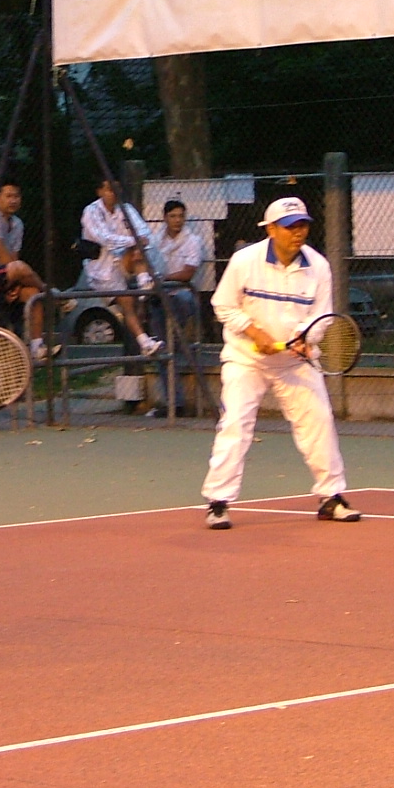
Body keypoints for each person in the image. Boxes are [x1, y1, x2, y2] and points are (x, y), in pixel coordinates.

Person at [201, 196, 360, 530]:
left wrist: (304, 339)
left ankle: (331, 498)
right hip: (245, 359)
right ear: (271, 229)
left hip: (294, 362)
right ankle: (218, 502)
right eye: (290, 227)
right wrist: (253, 331)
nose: (297, 233)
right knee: (235, 424)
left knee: (319, 421)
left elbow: (322, 318)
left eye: (302, 225)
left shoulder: (318, 266)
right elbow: (223, 305)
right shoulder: (245, 260)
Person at [0, 181, 54, 362]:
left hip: (4, 278)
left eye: (17, 196)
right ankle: (52, 293)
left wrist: (14, 283)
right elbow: (2, 253)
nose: (13, 200)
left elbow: (14, 257)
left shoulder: (17, 224)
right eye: (9, 196)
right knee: (20, 269)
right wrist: (15, 276)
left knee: (33, 294)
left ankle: (37, 347)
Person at [80, 179, 164, 357]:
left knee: (138, 249)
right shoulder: (91, 211)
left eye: (117, 189)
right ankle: (145, 340)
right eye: (110, 189)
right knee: (127, 303)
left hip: (126, 263)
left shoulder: (127, 209)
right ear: (100, 191)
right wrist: (133, 240)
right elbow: (104, 238)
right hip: (102, 271)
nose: (114, 193)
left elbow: (144, 232)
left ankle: (143, 287)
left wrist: (136, 241)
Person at [146, 199, 204, 416]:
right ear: (165, 217)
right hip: (159, 298)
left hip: (181, 296)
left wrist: (163, 279)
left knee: (183, 299)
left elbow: (188, 273)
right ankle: (175, 404)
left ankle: (175, 341)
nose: (178, 220)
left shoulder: (193, 241)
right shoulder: (155, 240)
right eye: (173, 216)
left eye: (181, 216)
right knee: (163, 351)